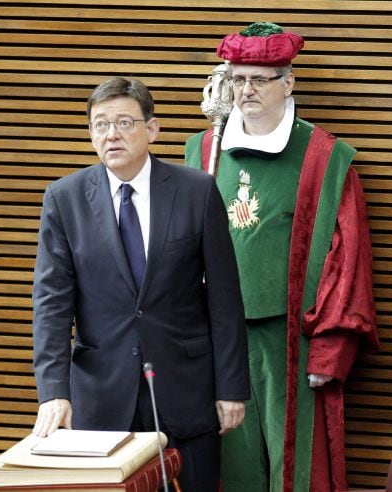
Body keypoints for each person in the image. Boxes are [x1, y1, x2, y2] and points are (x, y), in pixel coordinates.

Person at [185, 22, 380, 492]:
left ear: (288, 82)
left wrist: (331, 349)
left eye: (259, 78)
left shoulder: (323, 157)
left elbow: (346, 261)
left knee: (292, 462)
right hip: (218, 338)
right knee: (231, 458)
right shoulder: (203, 149)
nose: (245, 89)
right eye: (237, 78)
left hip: (292, 339)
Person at [31, 77, 250, 491]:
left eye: (124, 122)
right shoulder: (65, 198)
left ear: (152, 129)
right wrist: (53, 392)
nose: (111, 134)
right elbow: (51, 305)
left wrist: (232, 388)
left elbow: (224, 298)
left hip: (187, 389)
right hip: (101, 397)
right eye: (100, 124)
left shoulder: (196, 191)